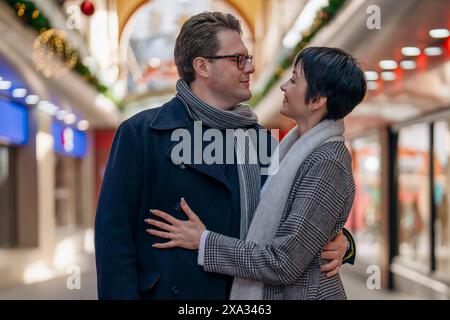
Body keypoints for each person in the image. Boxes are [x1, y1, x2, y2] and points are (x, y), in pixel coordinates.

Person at [95, 12, 354, 300]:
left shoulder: (262, 142)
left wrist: (342, 241)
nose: (250, 68)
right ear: (202, 66)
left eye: (249, 58)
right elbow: (113, 238)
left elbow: (299, 219)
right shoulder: (142, 134)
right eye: (238, 59)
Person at [145, 46, 366, 300]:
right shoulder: (288, 150)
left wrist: (204, 241)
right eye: (236, 59)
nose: (284, 86)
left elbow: (285, 261)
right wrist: (344, 242)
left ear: (317, 100)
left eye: (294, 80)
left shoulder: (327, 161)